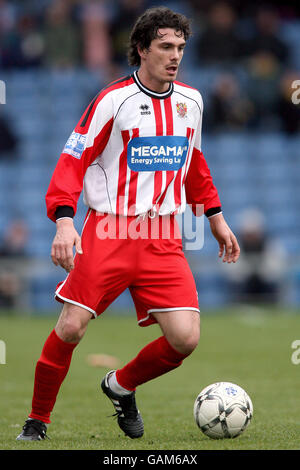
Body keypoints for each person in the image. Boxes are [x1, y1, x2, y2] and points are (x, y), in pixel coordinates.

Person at [17, 6, 240, 441]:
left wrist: (214, 215)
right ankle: (37, 421)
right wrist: (65, 221)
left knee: (184, 339)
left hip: (162, 236)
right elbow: (72, 160)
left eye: (180, 47)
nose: (175, 56)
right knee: (71, 326)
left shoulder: (191, 102)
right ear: (141, 49)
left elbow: (194, 163)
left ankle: (120, 385)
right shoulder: (112, 101)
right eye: (165, 47)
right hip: (109, 231)